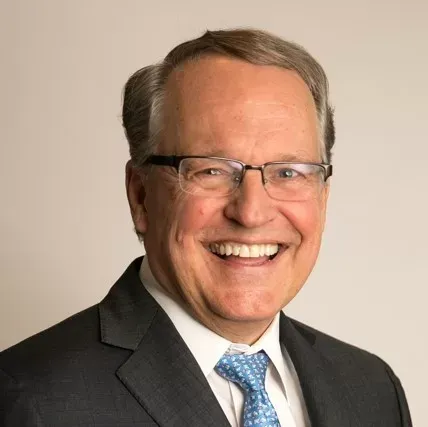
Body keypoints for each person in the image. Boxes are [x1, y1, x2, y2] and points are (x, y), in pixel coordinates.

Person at [0, 28, 412, 427]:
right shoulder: (31, 399)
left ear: (323, 196)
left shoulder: (372, 390)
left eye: (288, 173)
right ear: (140, 196)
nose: (251, 213)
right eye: (211, 170)